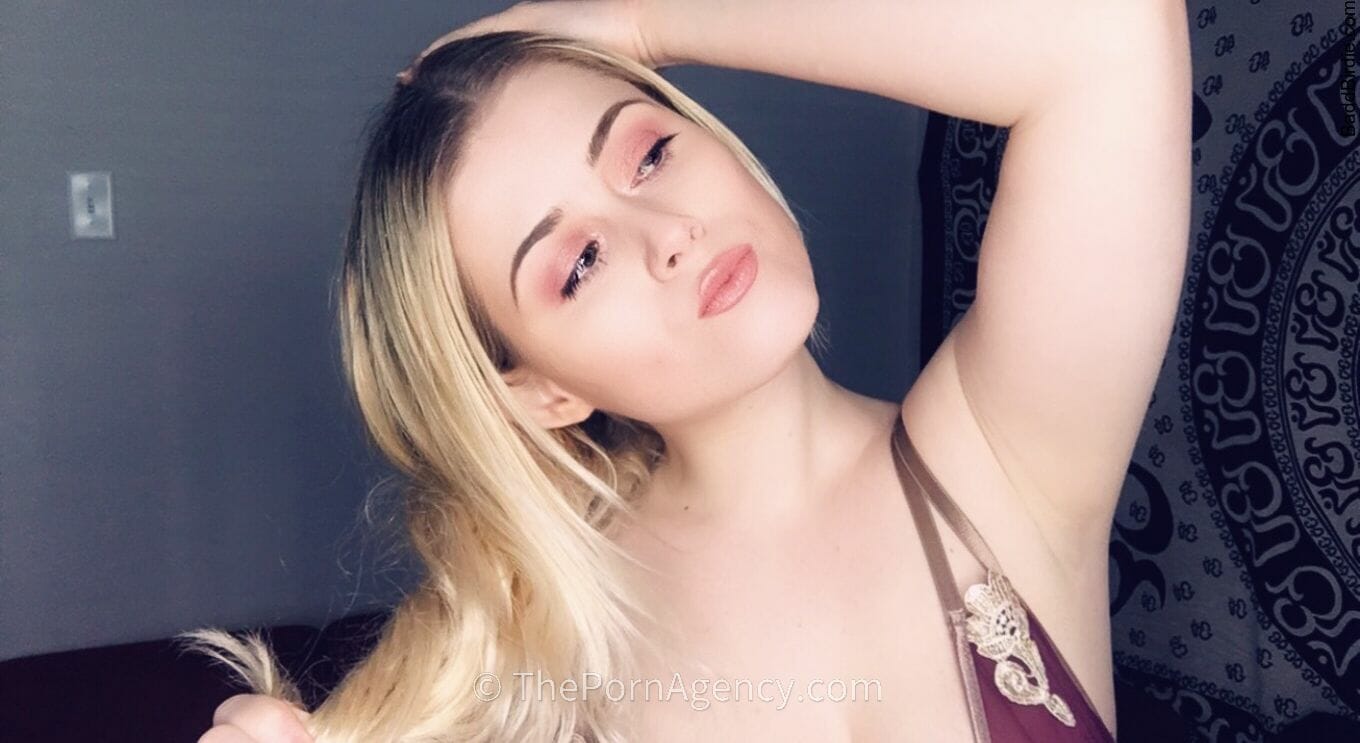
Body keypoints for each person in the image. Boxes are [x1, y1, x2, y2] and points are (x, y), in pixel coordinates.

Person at [188, 0, 1192, 740]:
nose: (667, 233)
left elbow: (1105, 32)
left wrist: (639, 23)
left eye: (648, 153)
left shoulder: (1001, 459)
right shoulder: (556, 639)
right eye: (579, 262)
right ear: (541, 390)